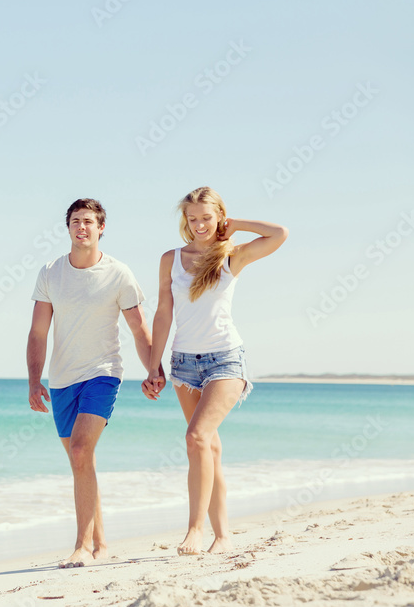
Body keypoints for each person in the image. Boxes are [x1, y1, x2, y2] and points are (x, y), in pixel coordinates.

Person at [143, 186, 288, 555]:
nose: (199, 225)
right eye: (193, 219)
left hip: (225, 359)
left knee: (196, 438)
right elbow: (163, 313)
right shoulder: (171, 259)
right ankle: (223, 538)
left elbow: (279, 234)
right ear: (185, 221)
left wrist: (234, 225)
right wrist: (153, 364)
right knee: (209, 447)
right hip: (183, 364)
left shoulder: (231, 255)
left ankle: (195, 529)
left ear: (218, 216)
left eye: (207, 217)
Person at [27, 198, 160, 568]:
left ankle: (82, 546)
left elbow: (139, 329)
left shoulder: (119, 274)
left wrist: (153, 369)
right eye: (75, 221)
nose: (81, 227)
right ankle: (101, 544)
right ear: (67, 227)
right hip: (62, 379)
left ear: (102, 227)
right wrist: (33, 379)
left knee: (81, 451)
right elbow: (38, 331)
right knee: (80, 461)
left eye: (88, 221)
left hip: (103, 373)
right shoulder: (51, 272)